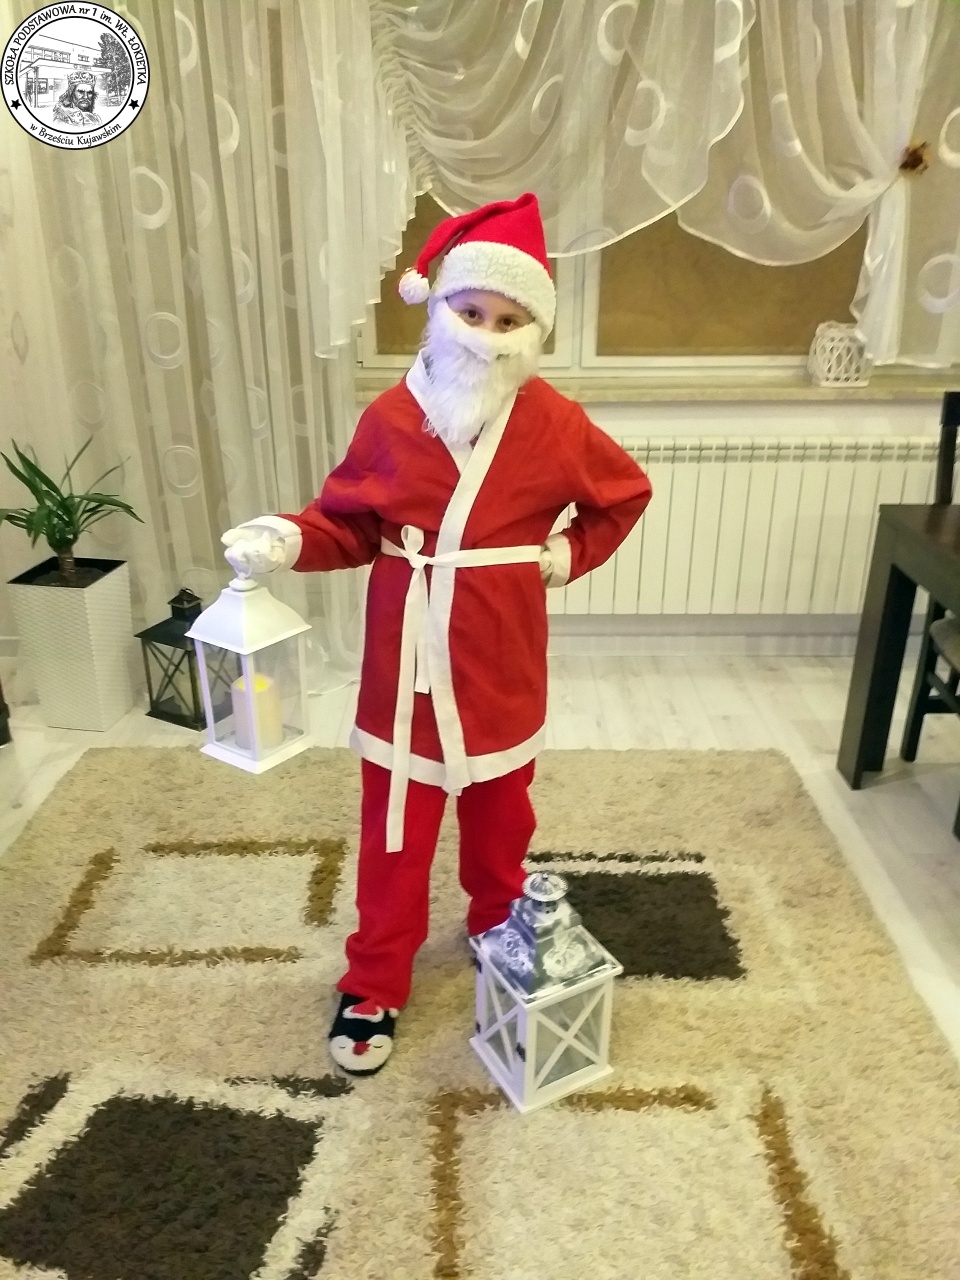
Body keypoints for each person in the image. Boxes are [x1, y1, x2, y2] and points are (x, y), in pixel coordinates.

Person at [222, 193, 653, 1076]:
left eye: (509, 320)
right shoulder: (389, 418)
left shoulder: (556, 423)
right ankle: (375, 976)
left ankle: (500, 931)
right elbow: (348, 526)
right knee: (395, 831)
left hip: (501, 653)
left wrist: (567, 553)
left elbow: (624, 494)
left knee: (502, 820)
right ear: (438, 307)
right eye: (471, 312)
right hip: (404, 662)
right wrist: (288, 538)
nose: (487, 336)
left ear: (533, 330)